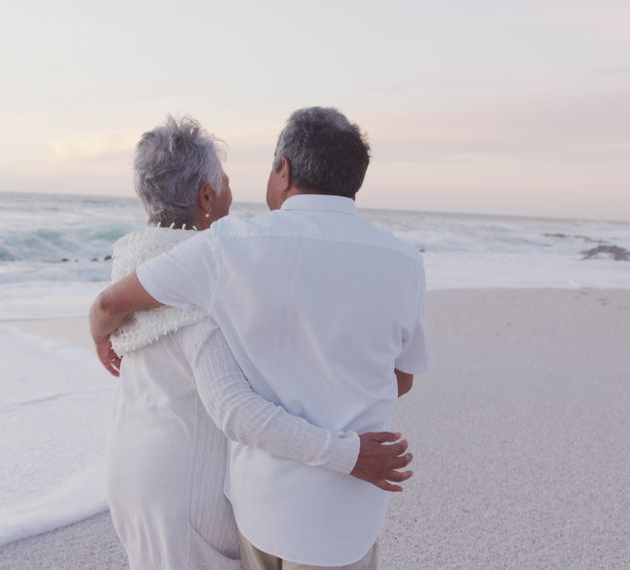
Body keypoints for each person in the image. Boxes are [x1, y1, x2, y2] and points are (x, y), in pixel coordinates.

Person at [91, 107, 431, 570]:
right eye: (227, 183)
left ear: (283, 170)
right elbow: (402, 378)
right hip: (340, 509)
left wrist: (100, 333)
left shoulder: (226, 251)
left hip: (250, 503)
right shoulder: (404, 261)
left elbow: (110, 303)